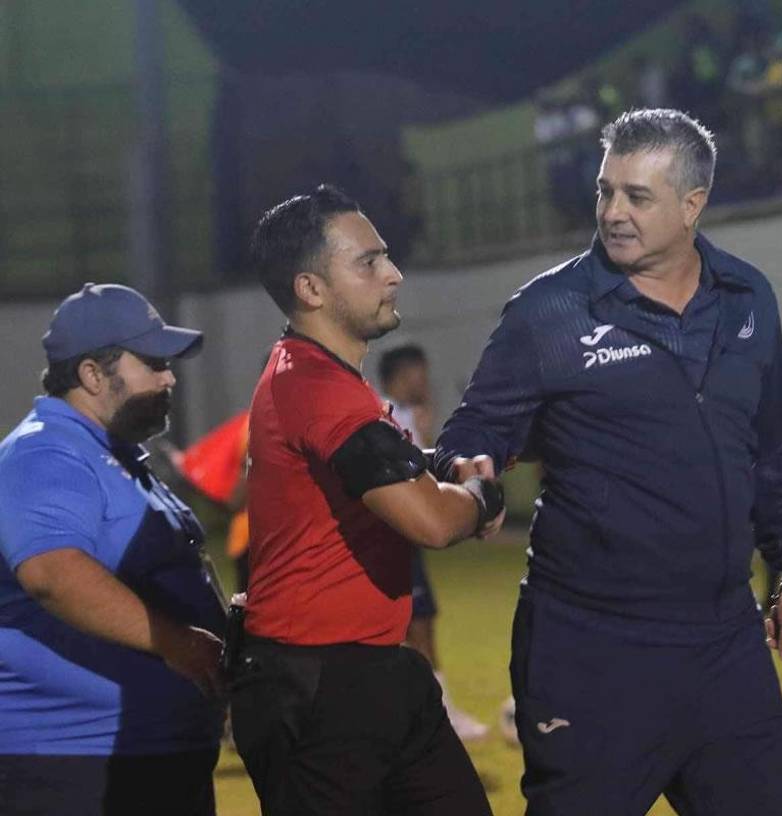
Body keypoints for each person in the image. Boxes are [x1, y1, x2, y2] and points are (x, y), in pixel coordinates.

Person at [434, 109, 782, 815]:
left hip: (724, 640)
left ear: (692, 204)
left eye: (637, 197)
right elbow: (473, 429)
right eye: (605, 192)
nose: (613, 212)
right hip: (591, 647)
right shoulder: (549, 313)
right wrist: (470, 471)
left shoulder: (749, 298)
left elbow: (772, 448)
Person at [230, 185, 499, 815]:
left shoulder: (321, 378)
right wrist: (483, 496)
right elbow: (432, 521)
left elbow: (395, 459)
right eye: (369, 262)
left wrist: (445, 464)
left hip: (367, 669)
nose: (394, 275)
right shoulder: (320, 388)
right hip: (317, 686)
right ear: (311, 290)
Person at [0, 283, 226, 815]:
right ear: (92, 375)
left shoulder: (113, 454)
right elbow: (53, 573)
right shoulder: (45, 454)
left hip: (146, 755)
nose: (170, 377)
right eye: (153, 363)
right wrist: (178, 642)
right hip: (74, 767)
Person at [378, 343, 490, 742]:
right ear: (398, 374)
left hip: (402, 539)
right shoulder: (386, 413)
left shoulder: (406, 413)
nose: (423, 380)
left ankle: (425, 712)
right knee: (418, 626)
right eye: (416, 372)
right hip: (394, 539)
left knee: (414, 625)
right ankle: (439, 715)